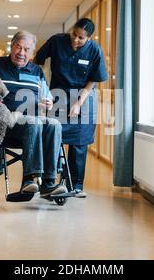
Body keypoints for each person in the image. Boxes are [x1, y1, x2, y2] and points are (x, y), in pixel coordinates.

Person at [0, 30, 67, 197]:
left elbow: (47, 97)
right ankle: (30, 179)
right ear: (12, 45)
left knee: (54, 125)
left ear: (32, 52)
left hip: (31, 126)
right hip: (2, 125)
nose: (21, 53)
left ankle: (48, 182)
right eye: (18, 47)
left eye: (27, 49)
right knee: (34, 122)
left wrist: (49, 101)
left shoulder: (37, 71)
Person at [34, 18, 108, 198]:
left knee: (79, 144)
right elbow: (38, 61)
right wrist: (40, 87)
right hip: (58, 96)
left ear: (89, 38)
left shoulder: (94, 50)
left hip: (84, 98)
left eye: (81, 38)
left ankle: (75, 186)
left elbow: (93, 80)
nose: (75, 40)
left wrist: (78, 103)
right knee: (52, 139)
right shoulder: (57, 41)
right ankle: (49, 182)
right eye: (74, 34)